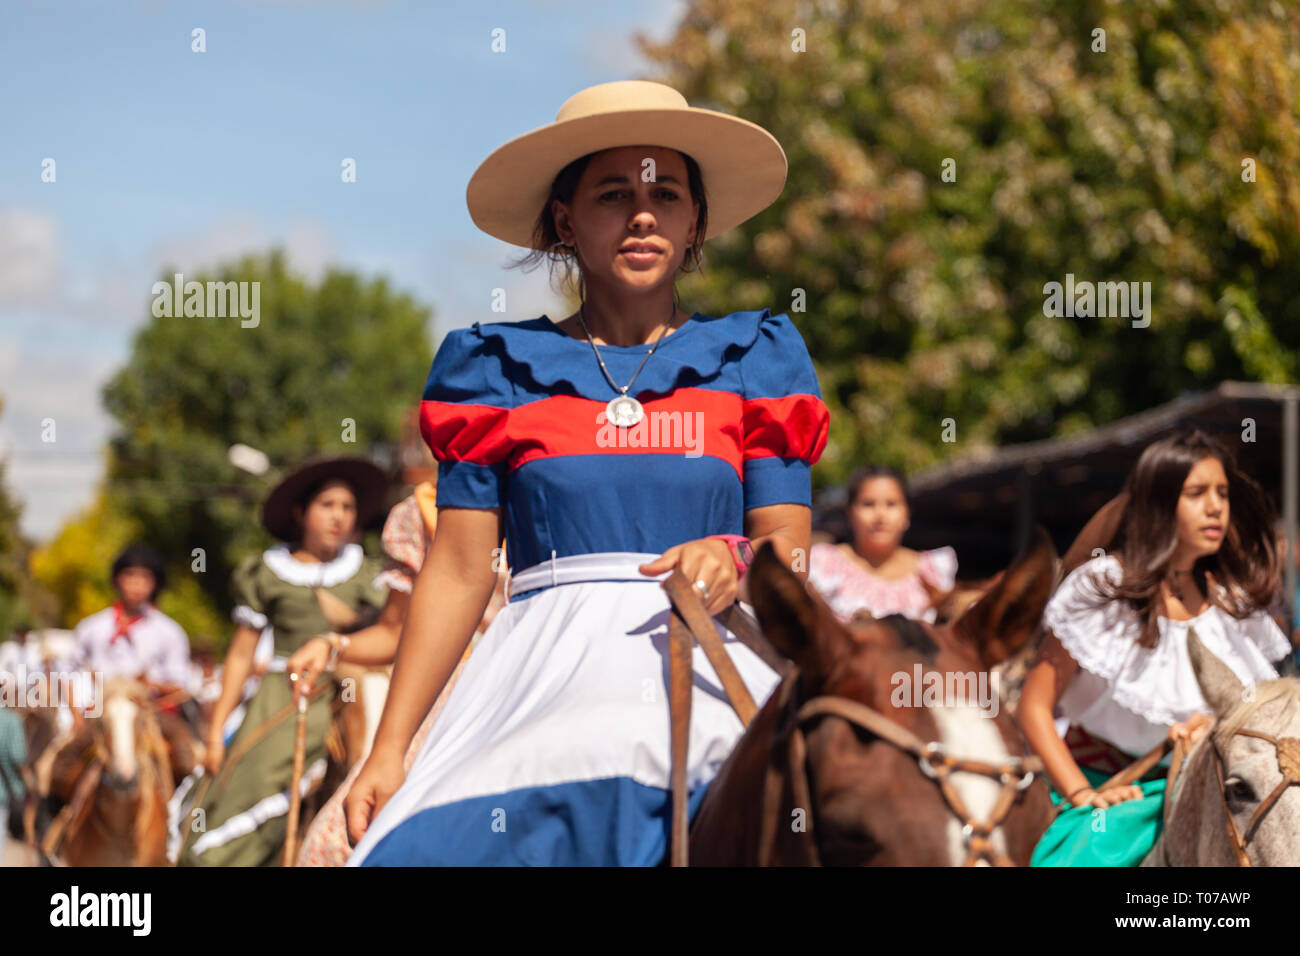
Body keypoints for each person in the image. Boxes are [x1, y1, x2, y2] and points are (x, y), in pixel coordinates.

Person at [344, 79, 828, 866]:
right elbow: (462, 569)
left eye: (665, 193)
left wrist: (736, 556)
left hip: (715, 664)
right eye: (613, 194)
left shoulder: (758, 358)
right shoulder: (491, 368)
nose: (643, 214)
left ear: (694, 219)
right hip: (538, 680)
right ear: (566, 220)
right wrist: (390, 747)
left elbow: (788, 556)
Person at [1017, 429, 1291, 866]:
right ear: (1160, 503)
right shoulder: (1104, 587)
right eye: (1196, 493)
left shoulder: (1233, 600)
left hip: (1224, 792)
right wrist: (1084, 795)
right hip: (1119, 789)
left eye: (1221, 492)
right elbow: (1033, 707)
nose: (1216, 506)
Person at [176, 455, 389, 867]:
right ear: (300, 513)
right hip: (285, 695)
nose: (339, 517)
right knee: (254, 779)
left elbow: (391, 632)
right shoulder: (268, 571)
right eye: (327, 506)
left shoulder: (365, 572)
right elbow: (240, 655)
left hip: (350, 687)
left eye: (347, 508)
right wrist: (216, 730)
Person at [291, 468, 507, 866]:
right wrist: (333, 644)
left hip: (541, 670)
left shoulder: (559, 483)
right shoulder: (419, 513)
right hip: (445, 680)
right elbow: (395, 633)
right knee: (335, 842)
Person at [807, 465, 957, 623]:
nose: (880, 515)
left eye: (891, 504)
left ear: (907, 513)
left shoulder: (931, 571)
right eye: (868, 504)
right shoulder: (824, 566)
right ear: (850, 513)